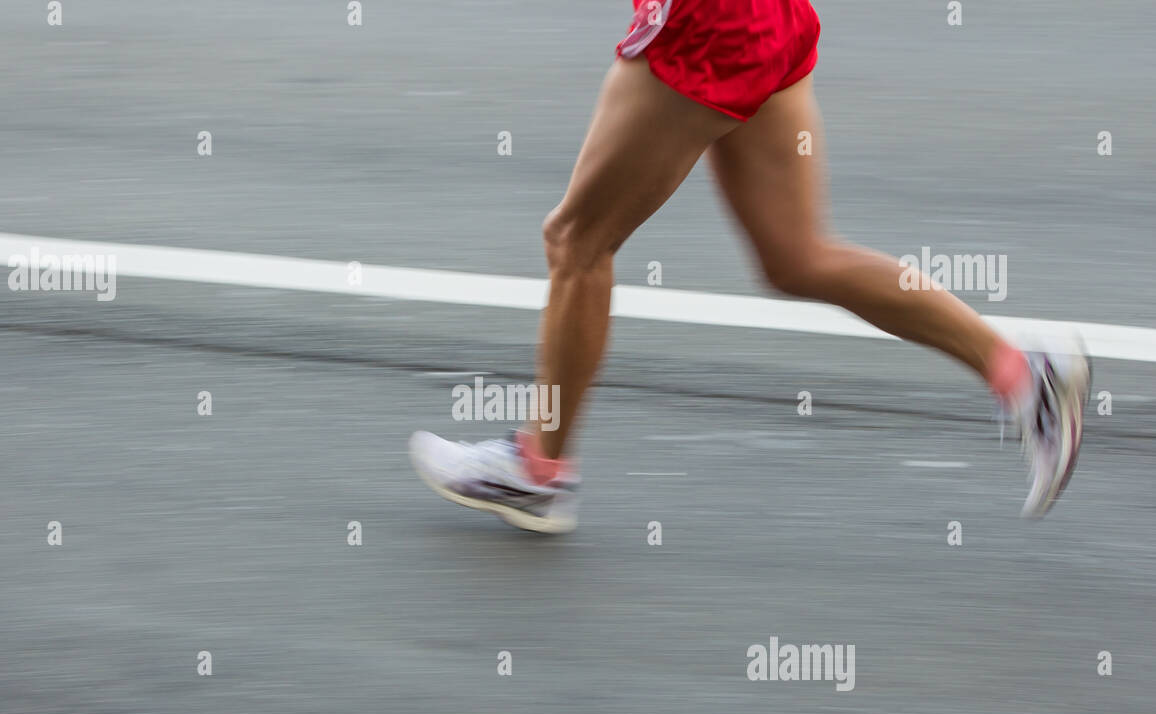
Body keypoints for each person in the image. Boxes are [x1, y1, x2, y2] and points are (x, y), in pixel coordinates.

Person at [409, 0, 1090, 533]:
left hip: (713, 25)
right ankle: (1025, 374)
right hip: (763, 18)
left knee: (576, 243)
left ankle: (538, 470)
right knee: (796, 256)